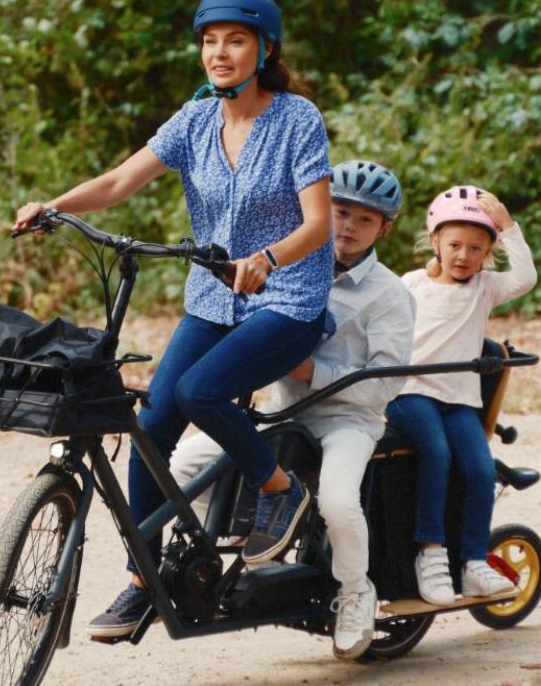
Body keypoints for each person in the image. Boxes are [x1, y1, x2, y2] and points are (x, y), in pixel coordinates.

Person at [9, 0, 335, 639]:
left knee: (199, 391)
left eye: (235, 40)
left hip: (287, 296)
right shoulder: (192, 123)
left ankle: (281, 490)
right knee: (151, 424)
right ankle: (142, 579)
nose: (220, 52)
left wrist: (268, 258)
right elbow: (117, 182)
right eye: (210, 41)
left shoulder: (297, 119)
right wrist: (54, 205)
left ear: (264, 48)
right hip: (215, 297)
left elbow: (319, 223)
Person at [165, 160, 414, 658]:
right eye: (340, 212)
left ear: (384, 228)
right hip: (284, 411)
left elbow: (385, 385)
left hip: (346, 418)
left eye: (364, 219)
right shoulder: (291, 265)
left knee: (340, 502)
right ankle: (236, 547)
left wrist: (310, 373)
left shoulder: (389, 294)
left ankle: (355, 592)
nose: (347, 226)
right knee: (184, 465)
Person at [385, 185, 538, 606]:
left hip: (458, 398)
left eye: (476, 248)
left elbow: (526, 278)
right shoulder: (412, 283)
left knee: (480, 469)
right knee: (436, 453)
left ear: (488, 252)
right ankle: (430, 553)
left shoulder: (484, 287)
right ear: (434, 241)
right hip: (411, 391)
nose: (463, 256)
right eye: (454, 244)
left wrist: (507, 227)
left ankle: (472, 562)